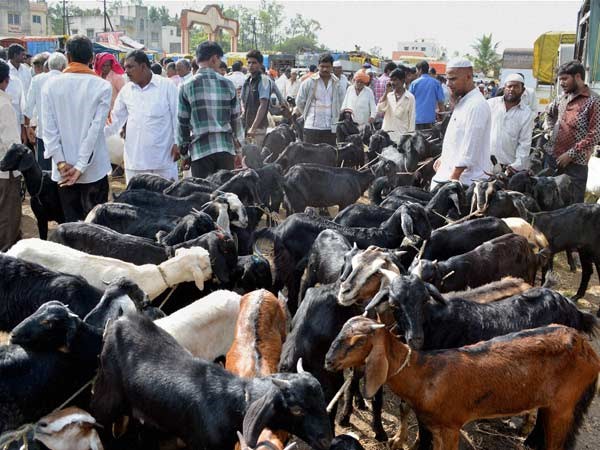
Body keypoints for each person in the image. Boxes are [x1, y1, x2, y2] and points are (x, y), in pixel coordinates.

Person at [42, 35, 112, 221]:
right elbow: (95, 130)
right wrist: (80, 166)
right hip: (94, 168)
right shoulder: (103, 86)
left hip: (64, 171)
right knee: (96, 228)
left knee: (71, 225)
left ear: (68, 57)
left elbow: (49, 130)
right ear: (92, 58)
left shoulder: (50, 86)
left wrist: (62, 163)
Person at [105, 50, 179, 184]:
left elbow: (177, 117)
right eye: (125, 67)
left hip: (163, 161)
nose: (126, 71)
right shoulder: (126, 91)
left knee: (166, 201)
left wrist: (177, 143)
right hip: (135, 162)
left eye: (130, 67)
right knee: (135, 203)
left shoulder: (167, 87)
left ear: (144, 66)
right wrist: (94, 136)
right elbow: (114, 121)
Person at [177, 41, 242, 179]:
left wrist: (184, 154)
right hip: (225, 150)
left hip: (200, 151)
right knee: (224, 197)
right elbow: (236, 120)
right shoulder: (228, 84)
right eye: (219, 60)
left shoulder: (186, 86)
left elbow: (182, 123)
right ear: (214, 58)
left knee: (203, 197)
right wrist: (239, 151)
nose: (219, 64)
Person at [544, 60, 600, 202]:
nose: (561, 83)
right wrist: (550, 131)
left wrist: (570, 154)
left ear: (578, 77)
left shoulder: (594, 101)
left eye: (564, 79)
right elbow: (548, 113)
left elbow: (595, 134)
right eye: (559, 79)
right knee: (548, 203)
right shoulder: (562, 97)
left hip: (575, 165)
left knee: (572, 208)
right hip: (552, 159)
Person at [432, 58, 491, 188]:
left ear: (468, 77)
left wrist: (453, 179)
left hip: (465, 182)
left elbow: (470, 147)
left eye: (453, 79)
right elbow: (456, 139)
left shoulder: (476, 105)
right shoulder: (463, 101)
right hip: (449, 176)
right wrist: (444, 158)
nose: (448, 83)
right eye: (447, 79)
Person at [24, 52, 67, 170]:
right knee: (64, 173)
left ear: (46, 66)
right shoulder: (69, 80)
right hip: (65, 136)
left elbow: (28, 107)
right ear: (64, 66)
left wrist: (27, 128)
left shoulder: (37, 80)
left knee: (45, 173)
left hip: (44, 134)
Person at [294, 53, 345, 146]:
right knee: (310, 158)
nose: (325, 69)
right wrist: (306, 113)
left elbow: (340, 101)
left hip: (330, 128)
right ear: (318, 66)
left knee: (329, 157)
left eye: (327, 67)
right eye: (322, 66)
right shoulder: (309, 82)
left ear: (332, 67)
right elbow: (299, 101)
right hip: (311, 127)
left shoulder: (337, 84)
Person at [487, 73, 534, 172]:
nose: (512, 89)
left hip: (508, 167)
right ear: (504, 88)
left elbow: (524, 143)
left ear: (523, 90)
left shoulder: (526, 113)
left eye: (516, 86)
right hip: (485, 164)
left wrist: (516, 166)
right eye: (509, 86)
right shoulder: (490, 104)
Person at [0, 59, 22, 251]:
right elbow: (12, 146)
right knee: (8, 217)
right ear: (6, 81)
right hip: (4, 174)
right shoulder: (4, 106)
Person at [241, 50, 271, 146]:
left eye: (254, 63)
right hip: (246, 126)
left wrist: (254, 127)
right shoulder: (247, 81)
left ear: (260, 64)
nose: (250, 65)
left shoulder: (264, 80)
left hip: (258, 129)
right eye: (249, 62)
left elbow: (263, 105)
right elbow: (242, 100)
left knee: (256, 157)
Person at [377, 68, 416, 143]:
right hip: (386, 137)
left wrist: (410, 137)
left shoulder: (410, 98)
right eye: (391, 80)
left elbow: (412, 118)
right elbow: (379, 109)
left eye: (395, 80)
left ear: (402, 81)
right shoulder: (388, 96)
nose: (392, 83)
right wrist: (386, 92)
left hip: (401, 138)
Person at [409, 60, 446, 130]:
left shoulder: (414, 83)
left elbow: (408, 102)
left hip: (415, 120)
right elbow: (441, 102)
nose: (416, 73)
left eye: (417, 70)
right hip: (430, 121)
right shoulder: (436, 83)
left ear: (420, 70)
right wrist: (443, 119)